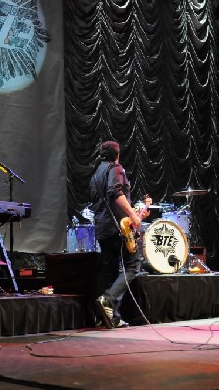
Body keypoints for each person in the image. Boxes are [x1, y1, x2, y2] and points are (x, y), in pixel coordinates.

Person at [89, 141, 148, 329]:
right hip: (118, 228)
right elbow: (115, 192)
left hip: (102, 228)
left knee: (111, 271)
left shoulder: (95, 174)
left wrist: (136, 214)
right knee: (133, 265)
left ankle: (110, 317)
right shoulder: (116, 168)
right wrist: (132, 214)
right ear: (117, 155)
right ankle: (108, 299)